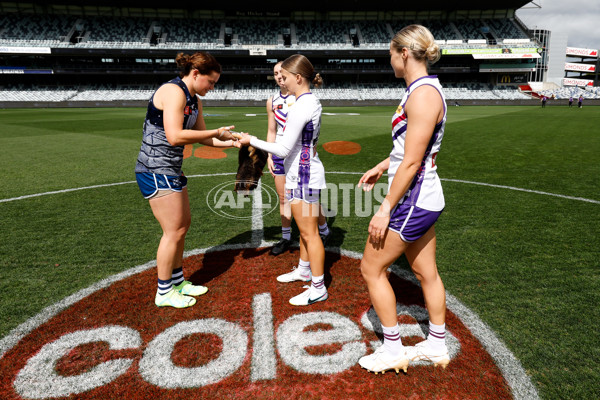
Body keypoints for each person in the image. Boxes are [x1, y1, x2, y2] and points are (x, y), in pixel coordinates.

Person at [356, 25, 449, 374]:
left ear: (404, 53)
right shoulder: (420, 91)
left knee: (371, 268)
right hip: (422, 196)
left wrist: (384, 209)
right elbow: (409, 150)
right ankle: (437, 344)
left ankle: (393, 350)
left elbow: (413, 161)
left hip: (413, 199)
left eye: (391, 53)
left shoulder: (422, 94)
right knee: (427, 272)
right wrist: (383, 165)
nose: (390, 60)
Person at [135, 52, 238, 308]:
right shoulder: (174, 92)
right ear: (195, 74)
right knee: (173, 231)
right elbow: (174, 136)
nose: (212, 88)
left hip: (171, 169)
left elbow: (202, 137)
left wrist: (233, 140)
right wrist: (218, 131)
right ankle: (164, 291)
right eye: (211, 82)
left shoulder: (195, 99)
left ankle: (178, 281)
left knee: (182, 227)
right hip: (155, 169)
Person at [236, 54, 328, 306]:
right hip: (303, 172)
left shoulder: (302, 105)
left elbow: (284, 148)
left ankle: (318, 287)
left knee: (310, 234)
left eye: (285, 76)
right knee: (306, 231)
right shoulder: (307, 101)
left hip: (304, 174)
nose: (281, 81)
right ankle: (304, 269)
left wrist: (251, 140)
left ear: (298, 78)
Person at [266, 61, 331, 256]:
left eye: (281, 73)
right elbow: (272, 130)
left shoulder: (302, 99)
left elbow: (311, 134)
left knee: (309, 200)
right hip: (279, 153)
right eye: (276, 73)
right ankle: (286, 237)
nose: (279, 76)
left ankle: (324, 230)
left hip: (300, 158)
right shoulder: (272, 101)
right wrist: (270, 156)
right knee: (284, 198)